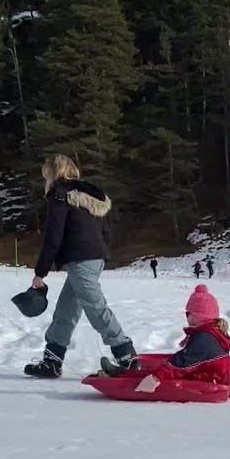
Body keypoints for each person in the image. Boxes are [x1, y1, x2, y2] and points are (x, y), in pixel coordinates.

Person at [24, 154, 136, 379]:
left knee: (95, 308)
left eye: (47, 174)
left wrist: (40, 272)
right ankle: (51, 362)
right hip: (94, 258)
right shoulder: (92, 194)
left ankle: (126, 355)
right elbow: (107, 232)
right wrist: (101, 254)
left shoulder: (60, 195)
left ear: (53, 173)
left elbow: (53, 237)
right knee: (66, 311)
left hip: (81, 260)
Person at [103, 284, 230, 393]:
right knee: (161, 369)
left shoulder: (204, 338)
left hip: (205, 379)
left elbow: (182, 362)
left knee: (156, 374)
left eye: (188, 314)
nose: (186, 317)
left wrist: (155, 378)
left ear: (196, 316)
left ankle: (117, 376)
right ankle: (118, 373)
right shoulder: (213, 332)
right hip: (207, 375)